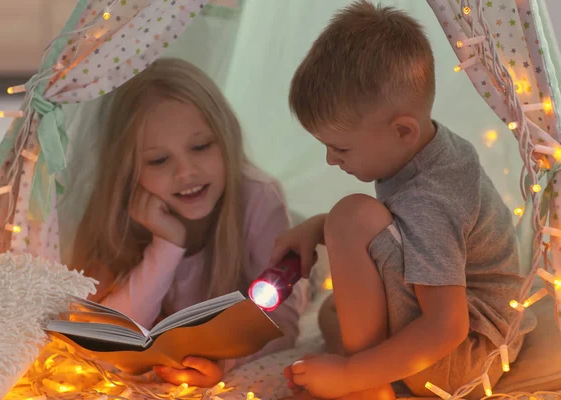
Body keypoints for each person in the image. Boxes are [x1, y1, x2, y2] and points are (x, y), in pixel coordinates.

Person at [270, 2, 536, 399]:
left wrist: (351, 373)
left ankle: (367, 388)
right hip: (469, 340)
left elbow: (447, 327)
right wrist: (317, 227)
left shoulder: (433, 198)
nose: (330, 159)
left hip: (465, 358)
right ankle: (369, 372)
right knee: (332, 311)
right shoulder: (425, 149)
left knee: (351, 216)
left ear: (402, 131)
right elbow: (401, 230)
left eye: (340, 148)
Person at [70, 58, 309, 388]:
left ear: (225, 139)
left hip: (276, 259)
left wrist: (225, 364)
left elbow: (282, 321)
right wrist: (166, 245)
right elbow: (109, 337)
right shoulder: (120, 214)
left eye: (200, 147)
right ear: (130, 170)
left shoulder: (257, 200)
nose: (186, 172)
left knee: (309, 261)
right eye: (159, 159)